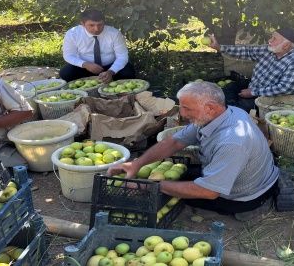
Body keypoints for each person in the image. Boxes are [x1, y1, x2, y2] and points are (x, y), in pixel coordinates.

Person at [107, 81, 280, 220]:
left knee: (172, 192)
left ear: (210, 107)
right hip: (244, 173)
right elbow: (174, 142)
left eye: (187, 108)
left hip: (244, 197)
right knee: (179, 177)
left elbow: (209, 192)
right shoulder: (223, 114)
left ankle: (255, 203)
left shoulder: (232, 141)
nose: (181, 113)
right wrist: (137, 164)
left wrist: (149, 187)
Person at [207, 27, 294, 110]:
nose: (269, 40)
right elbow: (247, 51)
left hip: (280, 100)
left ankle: (229, 117)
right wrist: (219, 47)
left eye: (274, 39)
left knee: (236, 108)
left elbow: (284, 89)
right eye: (271, 37)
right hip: (258, 87)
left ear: (286, 45)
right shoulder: (272, 49)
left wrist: (253, 92)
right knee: (228, 90)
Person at [60, 9, 135, 83]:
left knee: (128, 73)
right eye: (91, 25)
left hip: (110, 66)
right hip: (85, 67)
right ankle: (87, 83)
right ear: (82, 24)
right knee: (66, 73)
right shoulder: (73, 34)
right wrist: (85, 64)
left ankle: (110, 79)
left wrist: (111, 71)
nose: (96, 29)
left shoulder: (114, 33)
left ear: (104, 22)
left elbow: (122, 56)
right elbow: (68, 55)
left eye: (100, 24)